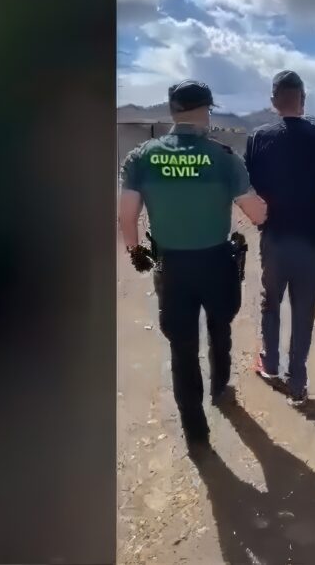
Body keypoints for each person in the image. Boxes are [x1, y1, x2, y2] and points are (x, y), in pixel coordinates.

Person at [118, 80, 267, 450]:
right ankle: (220, 387)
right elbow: (256, 213)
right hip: (216, 262)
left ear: (172, 111)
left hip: (171, 265)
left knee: (182, 349)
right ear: (206, 111)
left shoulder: (142, 156)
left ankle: (196, 433)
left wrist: (137, 252)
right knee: (220, 328)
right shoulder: (224, 157)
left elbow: (127, 216)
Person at [245, 70, 315, 407]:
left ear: (274, 101)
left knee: (271, 301)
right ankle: (297, 382)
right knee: (304, 309)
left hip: (274, 237)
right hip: (312, 239)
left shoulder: (258, 138)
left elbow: (251, 189)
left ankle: (270, 363)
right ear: (303, 99)